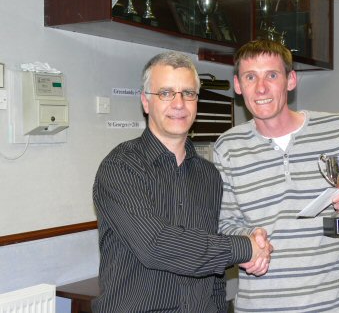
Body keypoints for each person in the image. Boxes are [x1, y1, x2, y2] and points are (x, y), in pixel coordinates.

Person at [92, 51, 273, 313]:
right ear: (146, 102)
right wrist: (245, 247)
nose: (179, 103)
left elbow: (213, 278)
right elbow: (156, 245)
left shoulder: (209, 175)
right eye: (165, 93)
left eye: (188, 93)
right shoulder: (120, 168)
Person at [213, 40, 339, 313]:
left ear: (291, 80)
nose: (261, 88)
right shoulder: (227, 147)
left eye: (272, 75)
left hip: (329, 305)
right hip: (258, 307)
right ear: (238, 85)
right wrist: (248, 243)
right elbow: (224, 224)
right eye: (250, 77)